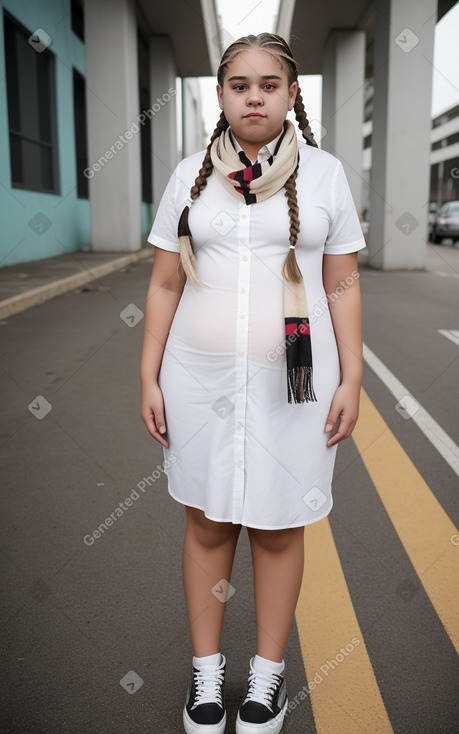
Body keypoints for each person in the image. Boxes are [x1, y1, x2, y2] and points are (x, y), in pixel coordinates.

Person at [140, 32, 366, 734]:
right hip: (196, 383)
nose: (254, 96)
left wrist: (352, 377)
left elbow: (342, 285)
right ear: (221, 95)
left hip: (293, 387)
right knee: (207, 523)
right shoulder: (189, 175)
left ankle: (265, 680)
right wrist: (146, 373)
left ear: (290, 94)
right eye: (240, 85)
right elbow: (164, 282)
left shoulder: (325, 175)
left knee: (276, 528)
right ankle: (207, 675)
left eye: (268, 84)